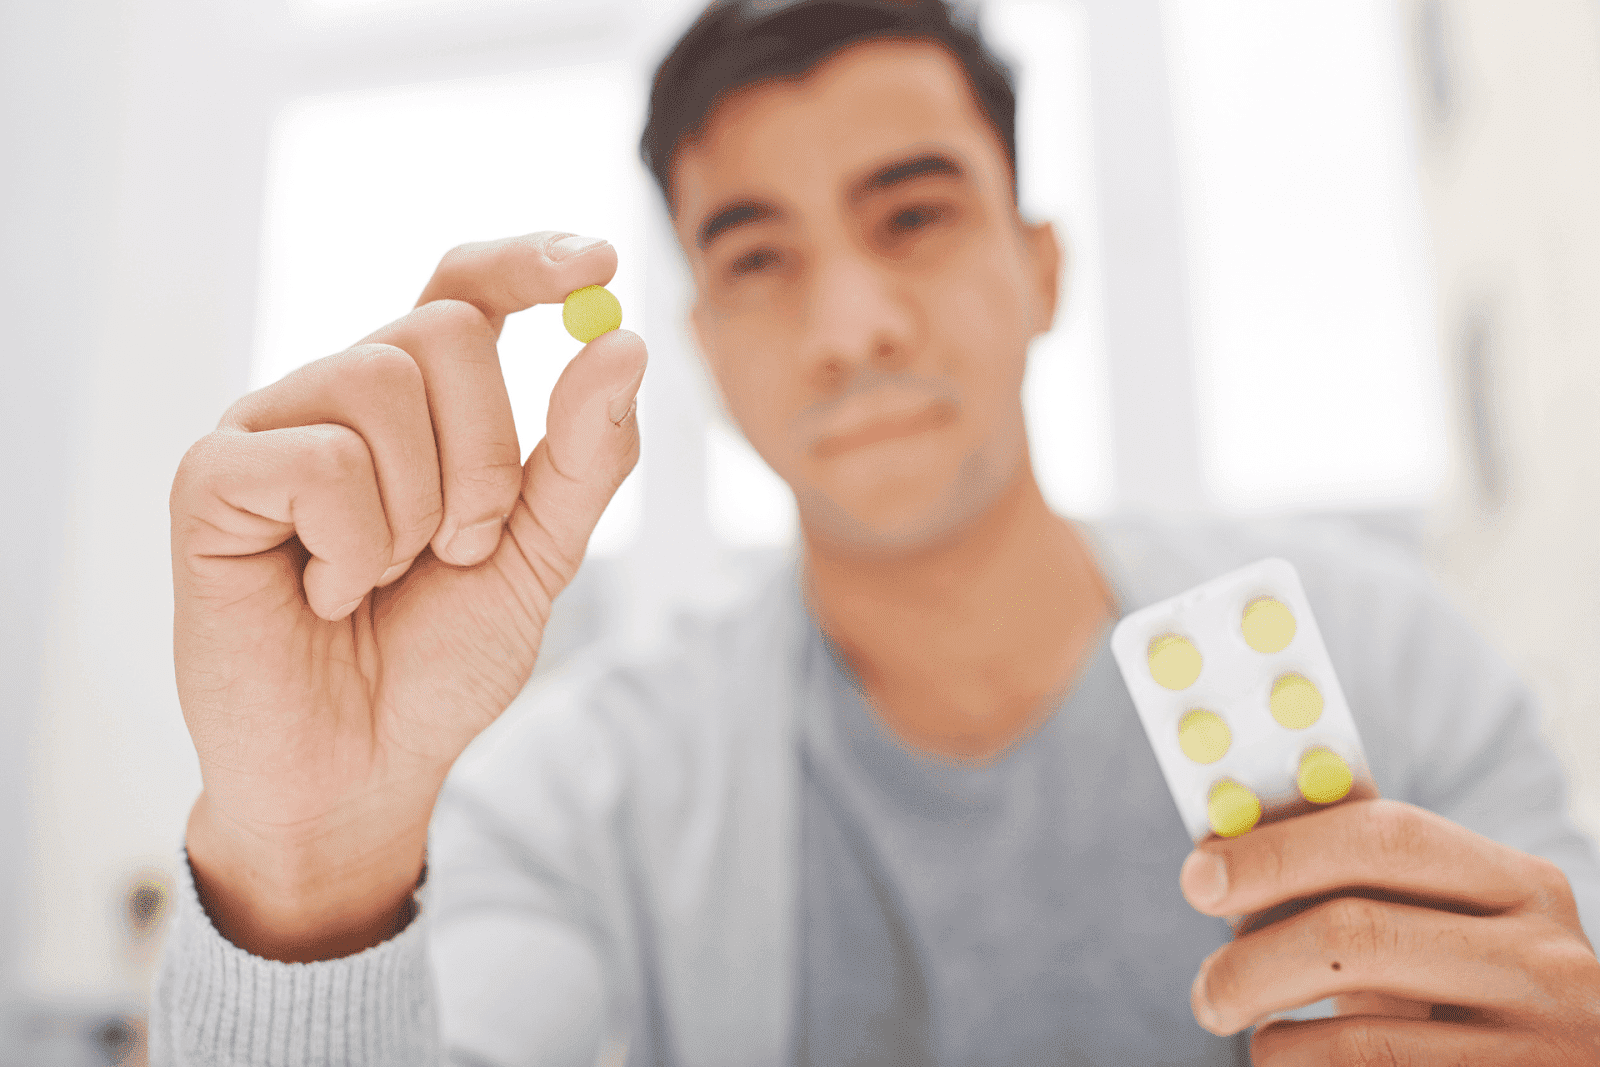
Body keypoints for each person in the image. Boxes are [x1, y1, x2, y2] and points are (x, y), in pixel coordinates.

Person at [152, 1, 1600, 1064]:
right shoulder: (580, 798)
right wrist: (310, 866)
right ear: (705, 346)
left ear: (1042, 270)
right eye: (762, 256)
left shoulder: (1385, 658)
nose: (852, 325)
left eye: (913, 215)